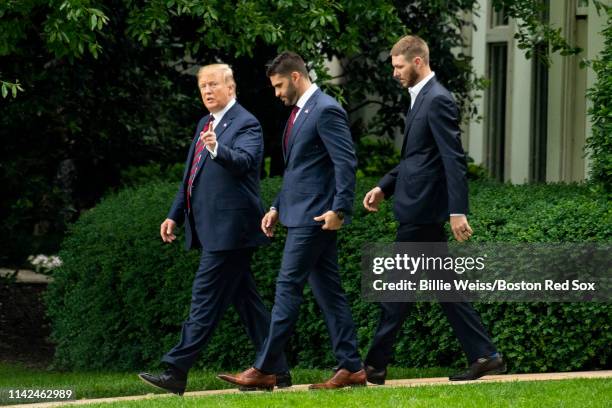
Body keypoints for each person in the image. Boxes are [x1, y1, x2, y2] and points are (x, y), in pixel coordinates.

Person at [138, 63, 290, 395]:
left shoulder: (246, 123)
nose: (207, 91)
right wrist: (173, 215)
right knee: (247, 301)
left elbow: (245, 162)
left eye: (213, 85)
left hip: (232, 230)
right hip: (214, 230)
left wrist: (217, 149)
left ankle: (175, 370)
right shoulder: (204, 124)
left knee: (204, 299)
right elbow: (190, 178)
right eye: (202, 86)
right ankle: (277, 369)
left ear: (231, 88)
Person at [361, 35, 506, 384]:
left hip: (422, 211)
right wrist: (384, 186)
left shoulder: (437, 99)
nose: (394, 73)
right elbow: (416, 159)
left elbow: (452, 160)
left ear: (417, 62)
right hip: (415, 207)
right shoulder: (421, 98)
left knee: (397, 291)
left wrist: (458, 211)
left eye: (398, 66)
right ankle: (485, 355)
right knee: (443, 288)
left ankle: (373, 365)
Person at [217, 52, 365, 391]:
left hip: (316, 218)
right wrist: (276, 207)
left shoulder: (326, 110)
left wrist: (340, 209)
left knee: (287, 287)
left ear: (296, 77)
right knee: (329, 293)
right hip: (299, 214)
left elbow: (345, 163)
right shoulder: (300, 114)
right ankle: (352, 367)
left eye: (279, 85)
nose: (277, 93)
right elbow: (299, 171)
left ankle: (266, 367)